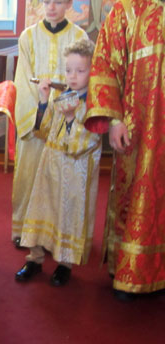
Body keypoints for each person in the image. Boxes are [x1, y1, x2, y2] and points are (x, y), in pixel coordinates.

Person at [84, 0, 165, 302]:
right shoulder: (127, 9)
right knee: (136, 194)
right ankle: (131, 269)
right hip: (140, 127)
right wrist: (115, 119)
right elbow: (105, 61)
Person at [15, 38, 101, 286]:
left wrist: (73, 117)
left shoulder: (95, 104)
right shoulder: (62, 95)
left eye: (80, 71)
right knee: (43, 209)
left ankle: (64, 264)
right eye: (68, 70)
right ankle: (35, 258)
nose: (72, 76)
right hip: (49, 167)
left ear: (92, 71)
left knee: (68, 215)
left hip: (76, 172)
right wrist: (43, 100)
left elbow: (85, 143)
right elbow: (43, 132)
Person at [11, 0, 87, 249]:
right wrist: (38, 118)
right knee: (30, 177)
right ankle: (26, 230)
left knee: (63, 180)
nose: (51, 7)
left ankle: (59, 235)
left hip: (69, 120)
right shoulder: (28, 36)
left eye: (58, 2)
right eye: (47, 2)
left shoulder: (79, 36)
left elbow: (86, 81)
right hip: (36, 119)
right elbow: (22, 81)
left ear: (68, 4)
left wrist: (68, 114)